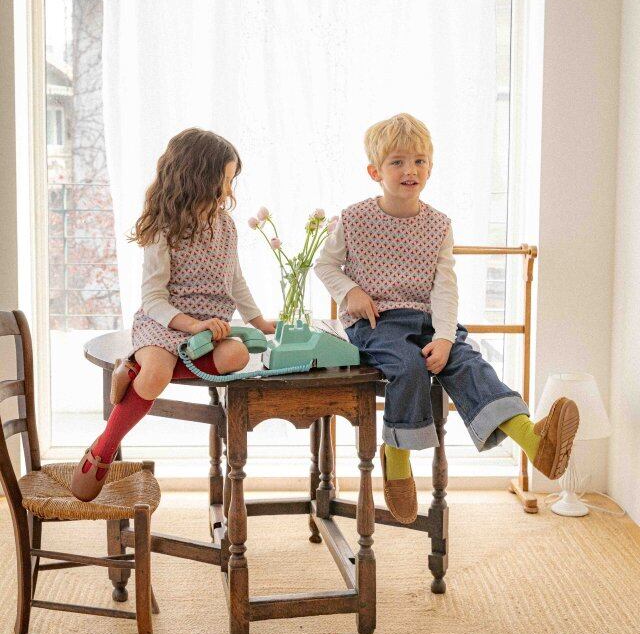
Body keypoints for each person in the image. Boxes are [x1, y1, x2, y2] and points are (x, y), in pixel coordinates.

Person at [314, 112, 579, 524]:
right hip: (376, 322)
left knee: (469, 363)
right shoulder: (353, 218)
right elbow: (325, 265)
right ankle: (397, 460)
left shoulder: (438, 225)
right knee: (408, 367)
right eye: (398, 162)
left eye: (419, 161)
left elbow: (445, 288)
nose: (410, 170)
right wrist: (352, 292)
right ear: (375, 171)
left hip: (427, 320)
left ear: (430, 168)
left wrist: (444, 338)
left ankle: (534, 441)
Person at [71, 128, 276, 501]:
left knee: (237, 355)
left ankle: (133, 371)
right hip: (164, 323)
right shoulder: (163, 229)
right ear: (198, 178)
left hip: (209, 329)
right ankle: (104, 448)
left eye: (231, 181)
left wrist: (259, 321)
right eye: (224, 181)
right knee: (155, 375)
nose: (228, 191)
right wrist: (191, 324)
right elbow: (153, 299)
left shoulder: (225, 225)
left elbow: (235, 280)